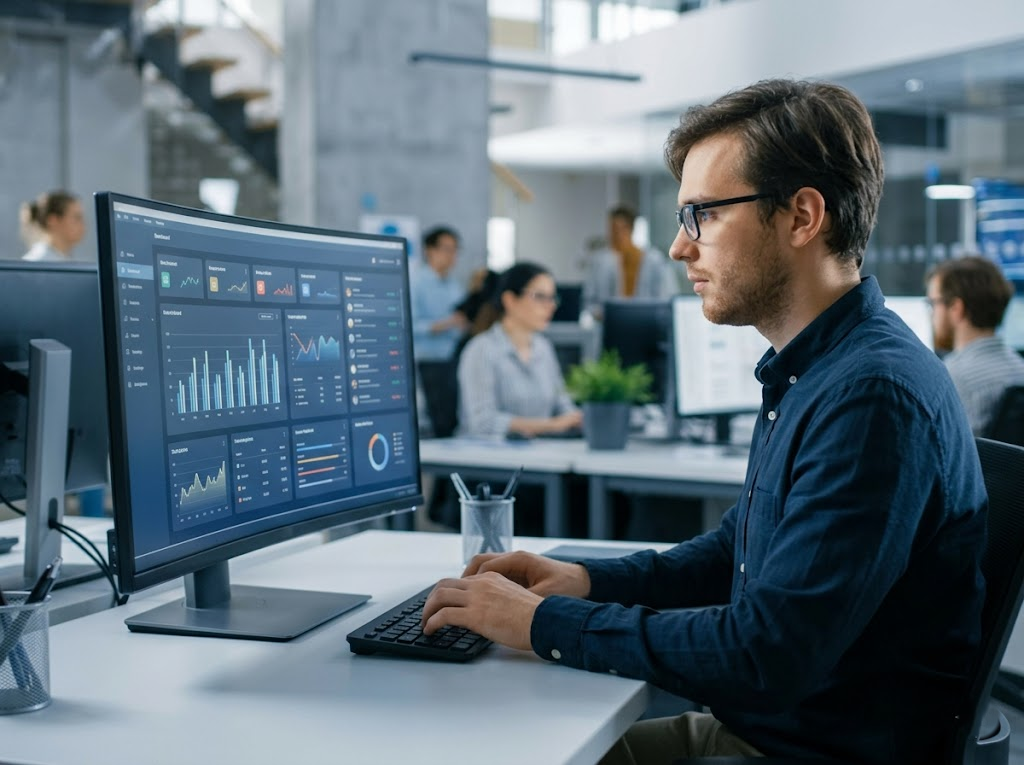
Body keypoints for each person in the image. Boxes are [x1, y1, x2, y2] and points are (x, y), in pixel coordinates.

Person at [422, 79, 986, 765]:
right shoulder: (817, 369)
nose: (677, 248)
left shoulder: (872, 395)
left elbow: (763, 654)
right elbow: (733, 555)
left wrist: (543, 623)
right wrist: (584, 580)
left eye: (702, 215)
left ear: (803, 216)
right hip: (772, 733)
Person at [457, 262, 583, 439]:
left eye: (553, 297)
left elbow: (562, 405)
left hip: (540, 454)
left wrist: (578, 419)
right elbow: (483, 423)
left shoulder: (543, 348)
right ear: (510, 300)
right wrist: (551, 426)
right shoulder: (481, 350)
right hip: (490, 458)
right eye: (540, 296)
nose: (551, 305)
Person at [926, 254, 1024, 435]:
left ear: (956, 308)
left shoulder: (949, 377)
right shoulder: (1019, 367)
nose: (931, 313)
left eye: (933, 303)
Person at [583, 204, 678, 315]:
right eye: (612, 229)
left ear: (631, 229)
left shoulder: (655, 260)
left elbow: (668, 299)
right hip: (610, 325)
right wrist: (600, 313)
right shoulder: (599, 262)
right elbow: (588, 301)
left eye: (621, 229)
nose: (616, 235)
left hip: (646, 324)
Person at [409, 226, 468, 362]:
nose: (452, 255)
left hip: (453, 356)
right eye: (447, 249)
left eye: (455, 250)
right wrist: (445, 324)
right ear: (429, 251)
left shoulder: (454, 285)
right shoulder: (415, 282)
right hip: (426, 359)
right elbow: (409, 326)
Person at [20, 190, 85, 262]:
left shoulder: (61, 259)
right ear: (53, 221)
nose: (83, 224)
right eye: (77, 218)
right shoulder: (38, 262)